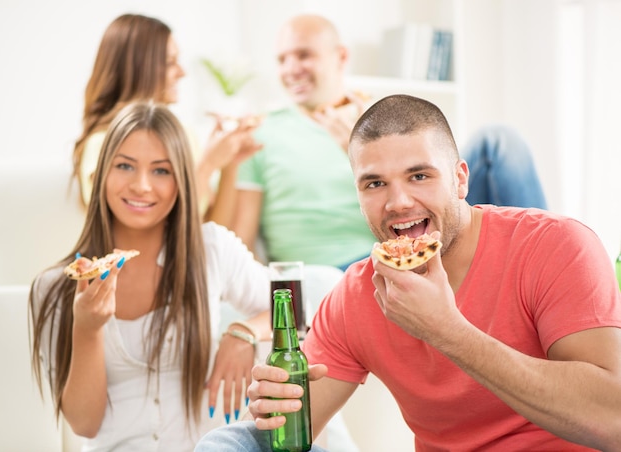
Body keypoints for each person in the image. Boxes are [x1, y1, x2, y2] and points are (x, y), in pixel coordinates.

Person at [195, 94, 621, 451]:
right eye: (374, 183)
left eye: (419, 176)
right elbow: (291, 432)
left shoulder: (556, 246)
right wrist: (275, 408)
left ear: (459, 180)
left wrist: (448, 331)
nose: (398, 202)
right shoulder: (356, 296)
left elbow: (612, 419)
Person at [30, 101, 271, 451]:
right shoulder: (54, 288)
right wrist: (86, 328)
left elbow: (296, 305)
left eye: (161, 171)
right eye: (125, 166)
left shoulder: (211, 249)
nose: (142, 185)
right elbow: (84, 423)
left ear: (181, 182)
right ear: (99, 176)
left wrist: (245, 332)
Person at [231, 14, 547, 271]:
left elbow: (418, 191)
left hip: (414, 234)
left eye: (303, 55)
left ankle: (541, 260)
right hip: (331, 269)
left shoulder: (381, 118)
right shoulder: (261, 133)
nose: (290, 69)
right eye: (282, 59)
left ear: (340, 56)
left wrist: (354, 145)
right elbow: (241, 242)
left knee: (498, 143)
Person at [73, 13, 262, 223]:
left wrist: (229, 163)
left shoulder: (183, 136)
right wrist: (208, 164)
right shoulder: (103, 143)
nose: (182, 73)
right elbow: (156, 238)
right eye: (170, 62)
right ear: (139, 68)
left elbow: (212, 234)